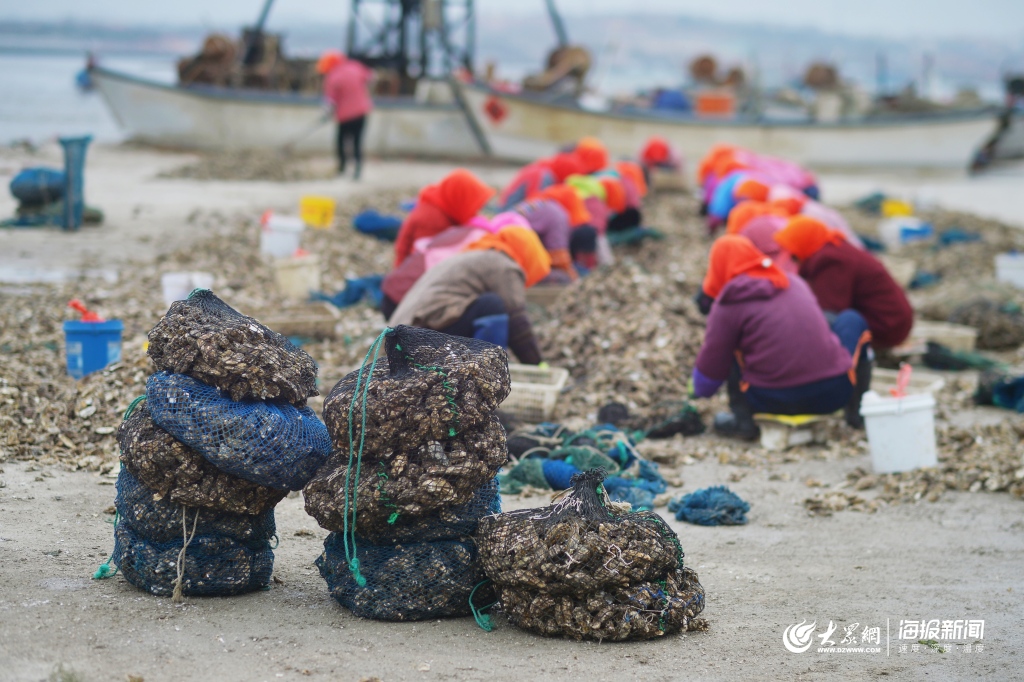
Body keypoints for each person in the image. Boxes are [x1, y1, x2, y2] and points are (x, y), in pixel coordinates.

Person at [691, 235, 872, 438]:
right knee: (851, 319)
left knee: (730, 344)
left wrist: (695, 391)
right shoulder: (793, 282)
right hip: (833, 395)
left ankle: (743, 423)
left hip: (770, 401)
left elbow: (708, 380)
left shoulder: (728, 304)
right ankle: (856, 415)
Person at [388, 226, 551, 364]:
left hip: (396, 337)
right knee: (491, 305)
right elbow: (518, 322)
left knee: (486, 305)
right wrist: (537, 364)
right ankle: (488, 374)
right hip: (416, 337)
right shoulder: (504, 265)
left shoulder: (475, 256)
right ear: (529, 258)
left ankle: (470, 369)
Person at [773, 216, 913, 349]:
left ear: (803, 243)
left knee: (818, 320)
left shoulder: (831, 259)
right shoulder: (832, 247)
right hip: (893, 320)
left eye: (793, 251)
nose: (792, 257)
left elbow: (830, 308)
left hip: (888, 326)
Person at [393, 169, 495, 267]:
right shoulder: (433, 220)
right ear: (459, 199)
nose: (475, 213)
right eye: (474, 207)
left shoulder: (440, 206)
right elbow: (422, 260)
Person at [318, 50, 373, 179]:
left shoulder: (333, 77)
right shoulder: (356, 67)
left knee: (341, 141)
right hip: (361, 112)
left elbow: (330, 101)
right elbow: (371, 78)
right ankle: (357, 170)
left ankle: (342, 168)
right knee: (357, 142)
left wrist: (325, 115)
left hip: (345, 116)